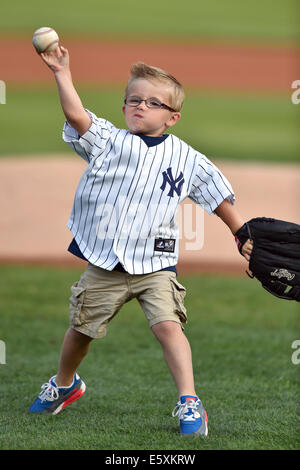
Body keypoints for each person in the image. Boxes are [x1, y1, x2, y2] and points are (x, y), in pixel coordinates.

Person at [29, 45, 253, 437]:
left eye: (153, 102)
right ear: (123, 106)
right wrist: (61, 72)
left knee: (169, 327)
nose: (140, 106)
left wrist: (242, 235)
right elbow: (76, 116)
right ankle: (65, 384)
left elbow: (217, 195)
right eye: (134, 99)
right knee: (81, 330)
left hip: (156, 265)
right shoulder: (109, 143)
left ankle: (189, 402)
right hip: (104, 263)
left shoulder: (187, 158)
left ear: (173, 117)